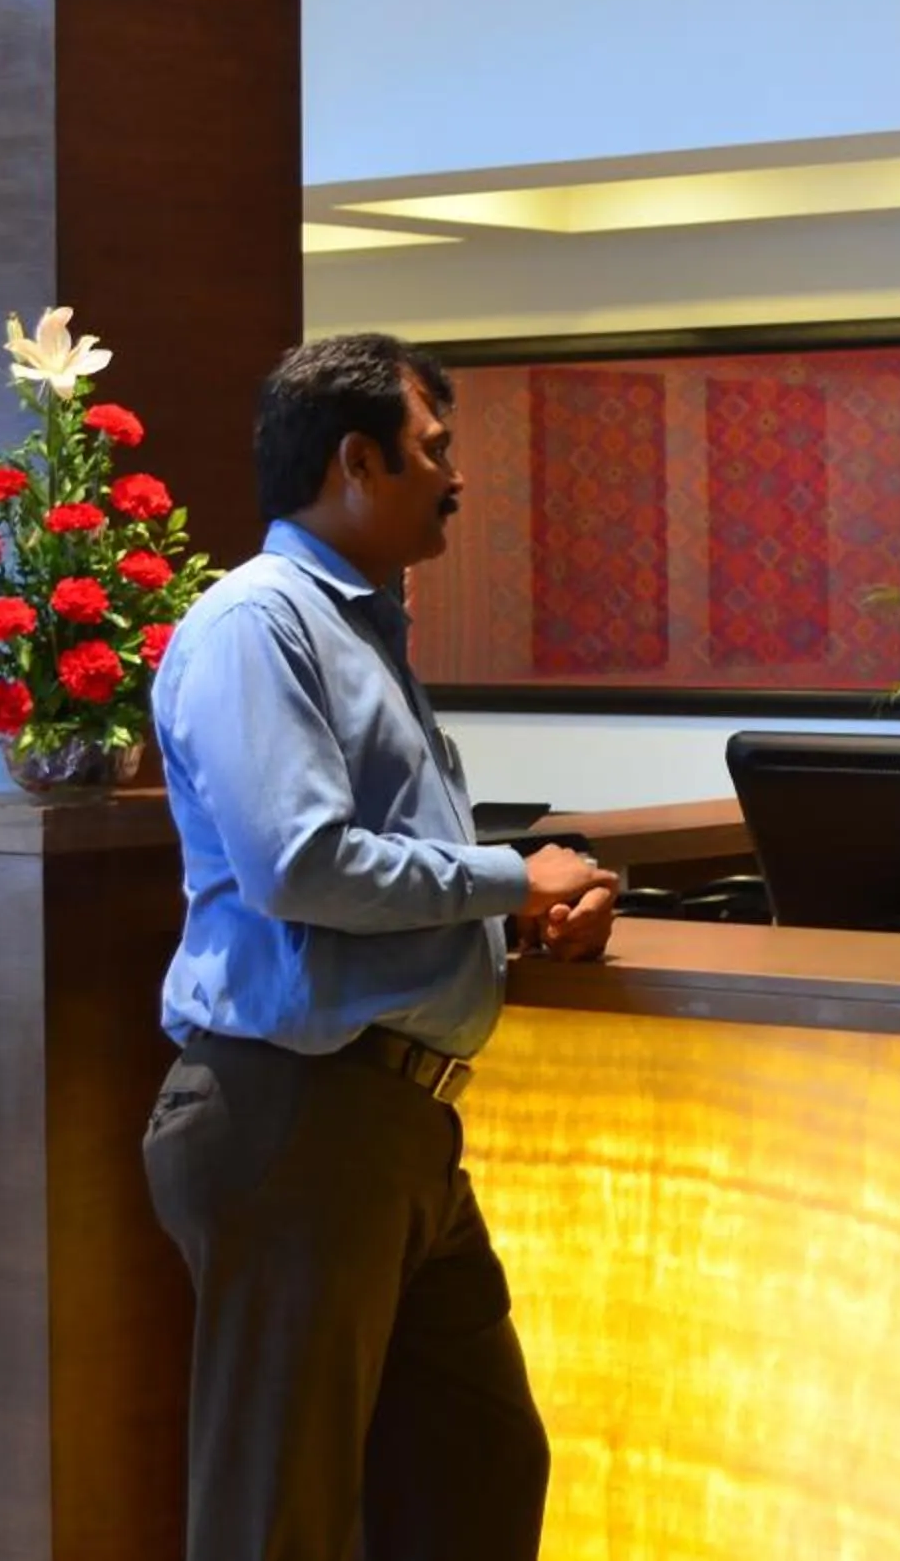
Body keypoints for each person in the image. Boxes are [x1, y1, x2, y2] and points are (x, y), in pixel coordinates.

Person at [139, 333, 620, 1561]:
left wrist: (518, 923)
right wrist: (515, 875)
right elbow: (301, 865)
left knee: (476, 1465)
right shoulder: (260, 623)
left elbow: (378, 864)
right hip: (296, 1116)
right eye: (436, 450)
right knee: (278, 1519)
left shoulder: (363, 628)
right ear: (357, 459)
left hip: (393, 1126)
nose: (455, 478)